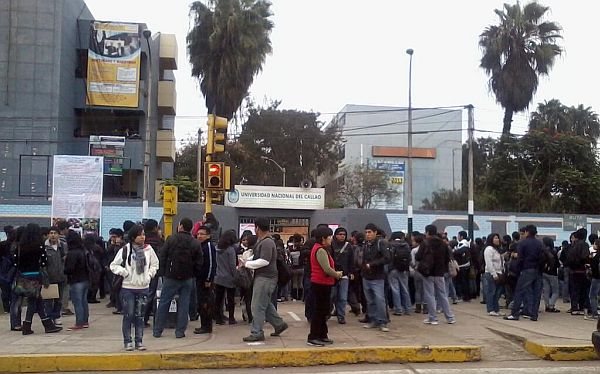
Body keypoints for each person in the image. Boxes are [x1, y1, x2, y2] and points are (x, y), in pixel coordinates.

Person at [110, 224, 159, 351]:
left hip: (143, 287)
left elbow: (155, 264)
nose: (143, 237)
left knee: (140, 315)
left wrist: (149, 275)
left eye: (143, 234)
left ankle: (139, 341)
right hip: (128, 288)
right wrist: (125, 273)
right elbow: (113, 265)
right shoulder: (125, 249)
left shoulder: (149, 249)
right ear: (133, 237)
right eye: (140, 235)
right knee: (129, 315)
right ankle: (127, 341)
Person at [153, 218, 203, 339]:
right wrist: (193, 274)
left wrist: (163, 273)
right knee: (184, 304)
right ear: (191, 228)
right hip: (187, 278)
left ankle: (158, 330)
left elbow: (163, 256)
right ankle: (180, 331)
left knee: (164, 302)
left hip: (171, 276)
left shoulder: (171, 239)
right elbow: (199, 262)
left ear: (180, 226)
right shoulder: (195, 242)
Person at [241, 217, 288, 342]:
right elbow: (259, 258)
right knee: (265, 304)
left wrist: (246, 264)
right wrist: (247, 261)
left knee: (256, 306)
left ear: (257, 228)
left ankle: (257, 332)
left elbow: (264, 261)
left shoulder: (267, 242)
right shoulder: (263, 241)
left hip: (265, 278)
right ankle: (279, 324)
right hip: (264, 277)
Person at [13, 223, 62, 335]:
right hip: (35, 276)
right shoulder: (39, 246)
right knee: (33, 301)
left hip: (23, 276)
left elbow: (15, 263)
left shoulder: (19, 247)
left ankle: (46, 324)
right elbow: (44, 262)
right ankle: (29, 325)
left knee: (36, 300)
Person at [307, 226, 342, 346]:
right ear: (323, 238)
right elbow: (326, 269)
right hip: (320, 284)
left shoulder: (322, 248)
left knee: (324, 310)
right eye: (330, 237)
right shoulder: (320, 250)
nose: (331, 239)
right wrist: (337, 274)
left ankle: (322, 334)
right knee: (319, 311)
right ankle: (313, 336)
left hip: (324, 283)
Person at [417, 224, 456, 325]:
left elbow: (418, 257)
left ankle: (433, 318)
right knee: (443, 295)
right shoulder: (443, 244)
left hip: (428, 272)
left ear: (427, 232)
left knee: (430, 295)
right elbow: (448, 258)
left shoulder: (425, 243)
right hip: (440, 273)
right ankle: (450, 317)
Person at [505, 224, 543, 321]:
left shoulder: (523, 243)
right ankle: (534, 315)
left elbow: (520, 258)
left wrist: (518, 270)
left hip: (526, 270)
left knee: (519, 291)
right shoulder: (539, 243)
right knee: (536, 293)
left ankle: (514, 314)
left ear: (526, 232)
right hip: (537, 270)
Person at [361, 223, 390, 332]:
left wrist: (372, 264)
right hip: (366, 276)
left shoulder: (380, 243)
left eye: (369, 232)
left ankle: (382, 322)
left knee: (380, 300)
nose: (367, 235)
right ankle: (373, 320)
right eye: (366, 232)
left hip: (377, 277)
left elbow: (387, 258)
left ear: (375, 233)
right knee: (370, 300)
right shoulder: (366, 244)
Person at [193, 225, 217, 334]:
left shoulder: (208, 246)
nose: (199, 236)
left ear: (208, 235)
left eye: (202, 234)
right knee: (201, 303)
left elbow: (211, 264)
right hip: (199, 279)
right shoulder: (200, 246)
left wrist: (208, 279)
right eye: (198, 234)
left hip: (206, 280)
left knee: (206, 303)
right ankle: (204, 325)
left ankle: (207, 326)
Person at [64, 231, 90, 331]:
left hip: (76, 280)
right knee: (84, 301)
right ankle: (85, 321)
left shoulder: (72, 253)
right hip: (85, 278)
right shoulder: (83, 251)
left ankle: (79, 322)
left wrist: (64, 269)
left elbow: (69, 268)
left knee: (77, 302)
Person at [214, 229, 239, 325]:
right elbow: (232, 266)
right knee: (230, 299)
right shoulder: (230, 250)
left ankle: (218, 318)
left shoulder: (216, 248)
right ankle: (231, 318)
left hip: (218, 277)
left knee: (218, 299)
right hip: (229, 278)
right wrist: (235, 276)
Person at [43, 226, 67, 326]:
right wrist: (44, 277)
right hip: (49, 277)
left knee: (59, 299)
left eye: (55, 233)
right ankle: (49, 317)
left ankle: (56, 316)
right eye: (51, 233)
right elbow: (42, 264)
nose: (53, 235)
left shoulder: (63, 246)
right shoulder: (44, 247)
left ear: (58, 235)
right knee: (48, 300)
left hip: (60, 277)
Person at [142, 219, 164, 327]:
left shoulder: (141, 239)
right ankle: (144, 318)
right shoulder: (157, 240)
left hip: (139, 270)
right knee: (150, 294)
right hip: (153, 271)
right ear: (155, 228)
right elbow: (161, 256)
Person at [331, 227, 353, 324]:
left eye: (344, 234)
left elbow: (351, 260)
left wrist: (351, 272)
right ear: (336, 235)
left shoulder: (348, 246)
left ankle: (341, 316)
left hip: (344, 275)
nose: (342, 236)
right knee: (332, 296)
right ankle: (330, 311)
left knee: (343, 297)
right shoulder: (331, 245)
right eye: (340, 234)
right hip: (333, 275)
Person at [388, 231, 412, 316]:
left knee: (395, 290)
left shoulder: (391, 245)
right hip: (404, 269)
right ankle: (408, 309)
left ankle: (398, 309)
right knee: (405, 289)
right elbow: (410, 258)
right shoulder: (406, 245)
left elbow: (389, 258)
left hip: (393, 269)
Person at [483, 233, 504, 316]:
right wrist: (493, 273)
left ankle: (496, 309)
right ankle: (490, 309)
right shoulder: (489, 249)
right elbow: (489, 262)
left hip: (500, 272)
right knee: (491, 291)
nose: (497, 240)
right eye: (495, 238)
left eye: (498, 238)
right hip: (491, 273)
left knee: (498, 292)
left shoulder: (497, 249)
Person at [541, 237, 560, 313]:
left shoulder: (542, 251)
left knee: (546, 290)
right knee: (555, 291)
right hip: (553, 273)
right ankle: (551, 306)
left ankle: (547, 305)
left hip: (544, 272)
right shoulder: (554, 251)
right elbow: (557, 264)